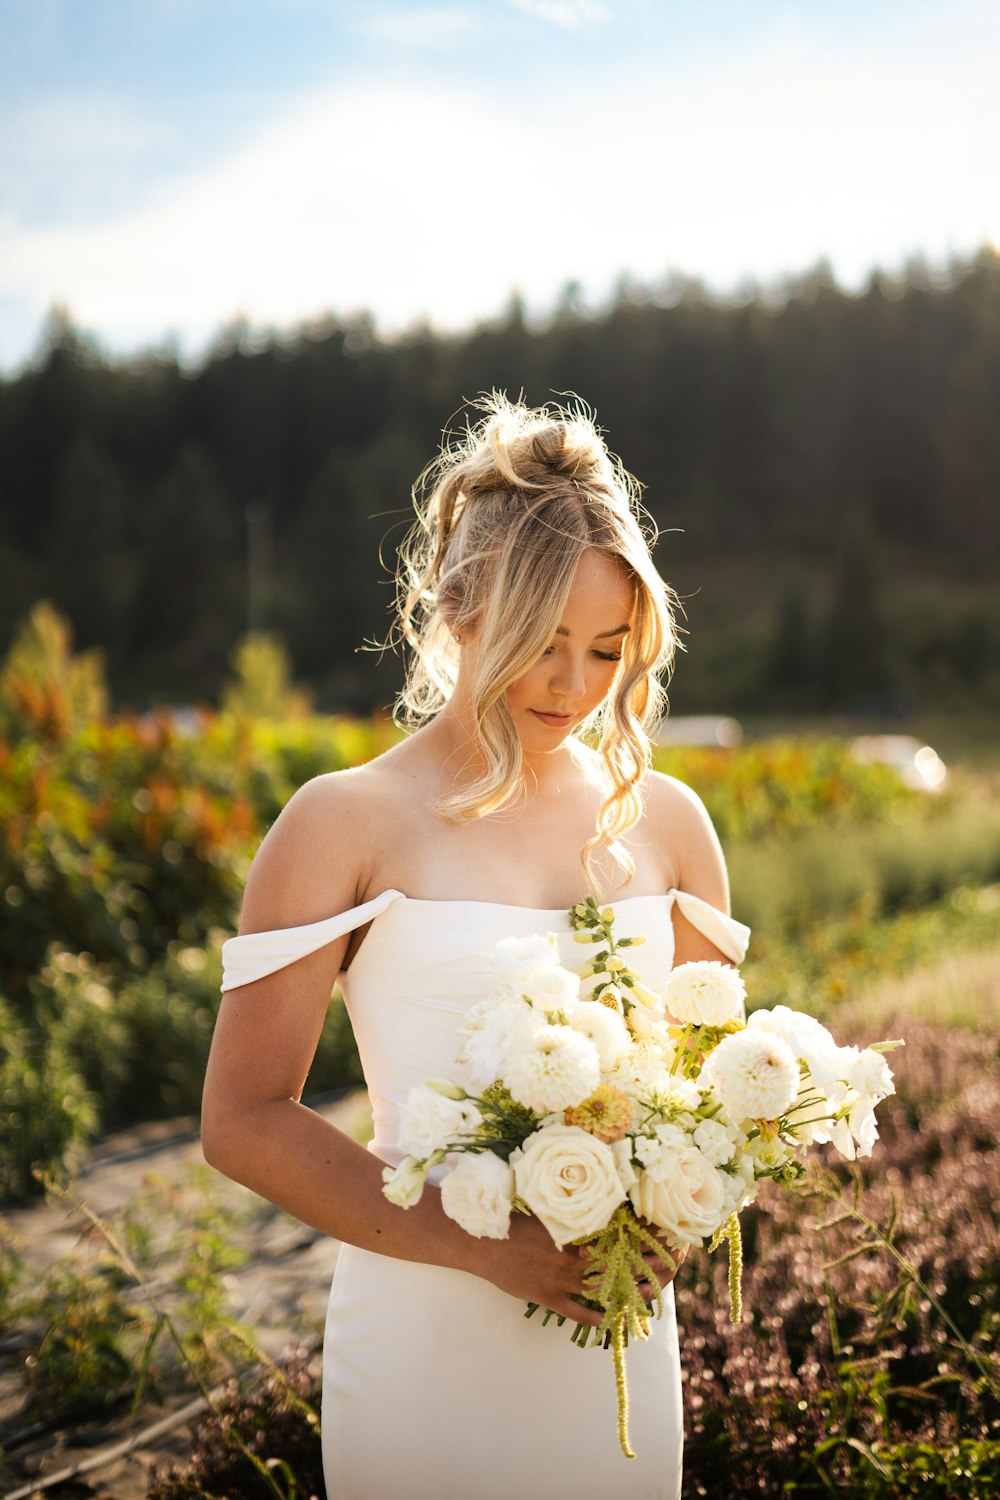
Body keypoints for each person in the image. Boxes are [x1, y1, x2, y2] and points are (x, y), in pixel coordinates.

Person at [202, 393, 751, 1500]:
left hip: (621, 1345)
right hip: (423, 1346)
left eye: (606, 649)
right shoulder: (340, 821)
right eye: (542, 644)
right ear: (452, 607)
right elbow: (242, 1120)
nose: (575, 686)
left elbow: (711, 1100)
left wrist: (680, 1209)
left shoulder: (674, 823)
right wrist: (482, 1246)